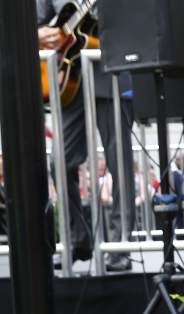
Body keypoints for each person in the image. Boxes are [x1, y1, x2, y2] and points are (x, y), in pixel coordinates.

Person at [36, 0, 134, 272]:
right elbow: (38, 19)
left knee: (119, 164)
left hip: (111, 68)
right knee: (60, 161)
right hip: (69, 77)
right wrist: (41, 34)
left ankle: (121, 245)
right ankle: (77, 239)